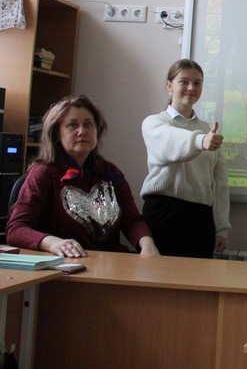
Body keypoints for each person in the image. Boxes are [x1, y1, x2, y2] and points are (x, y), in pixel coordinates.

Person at [6, 95, 159, 257]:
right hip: (64, 264)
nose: (82, 131)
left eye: (88, 124)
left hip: (111, 263)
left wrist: (147, 243)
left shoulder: (111, 172)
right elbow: (16, 229)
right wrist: (51, 243)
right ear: (57, 133)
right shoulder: (43, 174)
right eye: (73, 125)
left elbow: (131, 219)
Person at [141, 59, 230, 259]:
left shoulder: (208, 131)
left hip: (200, 219)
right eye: (184, 82)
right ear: (169, 86)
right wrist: (201, 141)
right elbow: (170, 140)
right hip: (164, 213)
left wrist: (222, 227)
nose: (191, 88)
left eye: (197, 83)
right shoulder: (154, 122)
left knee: (198, 277)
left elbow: (220, 184)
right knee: (161, 276)